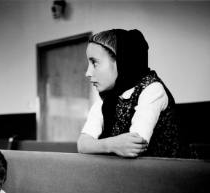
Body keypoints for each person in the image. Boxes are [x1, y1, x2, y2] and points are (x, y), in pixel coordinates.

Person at [78, 28, 182, 158]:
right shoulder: (105, 100)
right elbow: (82, 144)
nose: (88, 73)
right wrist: (112, 145)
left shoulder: (152, 90)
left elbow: (134, 146)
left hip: (170, 174)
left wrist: (99, 145)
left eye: (94, 63)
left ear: (122, 61)